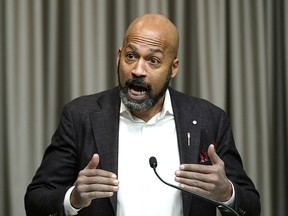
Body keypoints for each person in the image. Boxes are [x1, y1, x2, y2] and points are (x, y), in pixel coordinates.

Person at [25, 14, 260, 216]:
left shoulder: (209, 119)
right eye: (131, 56)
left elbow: (251, 205)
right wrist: (73, 198)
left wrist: (227, 193)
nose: (138, 70)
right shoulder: (80, 116)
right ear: (118, 56)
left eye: (153, 60)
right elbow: (36, 200)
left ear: (174, 67)